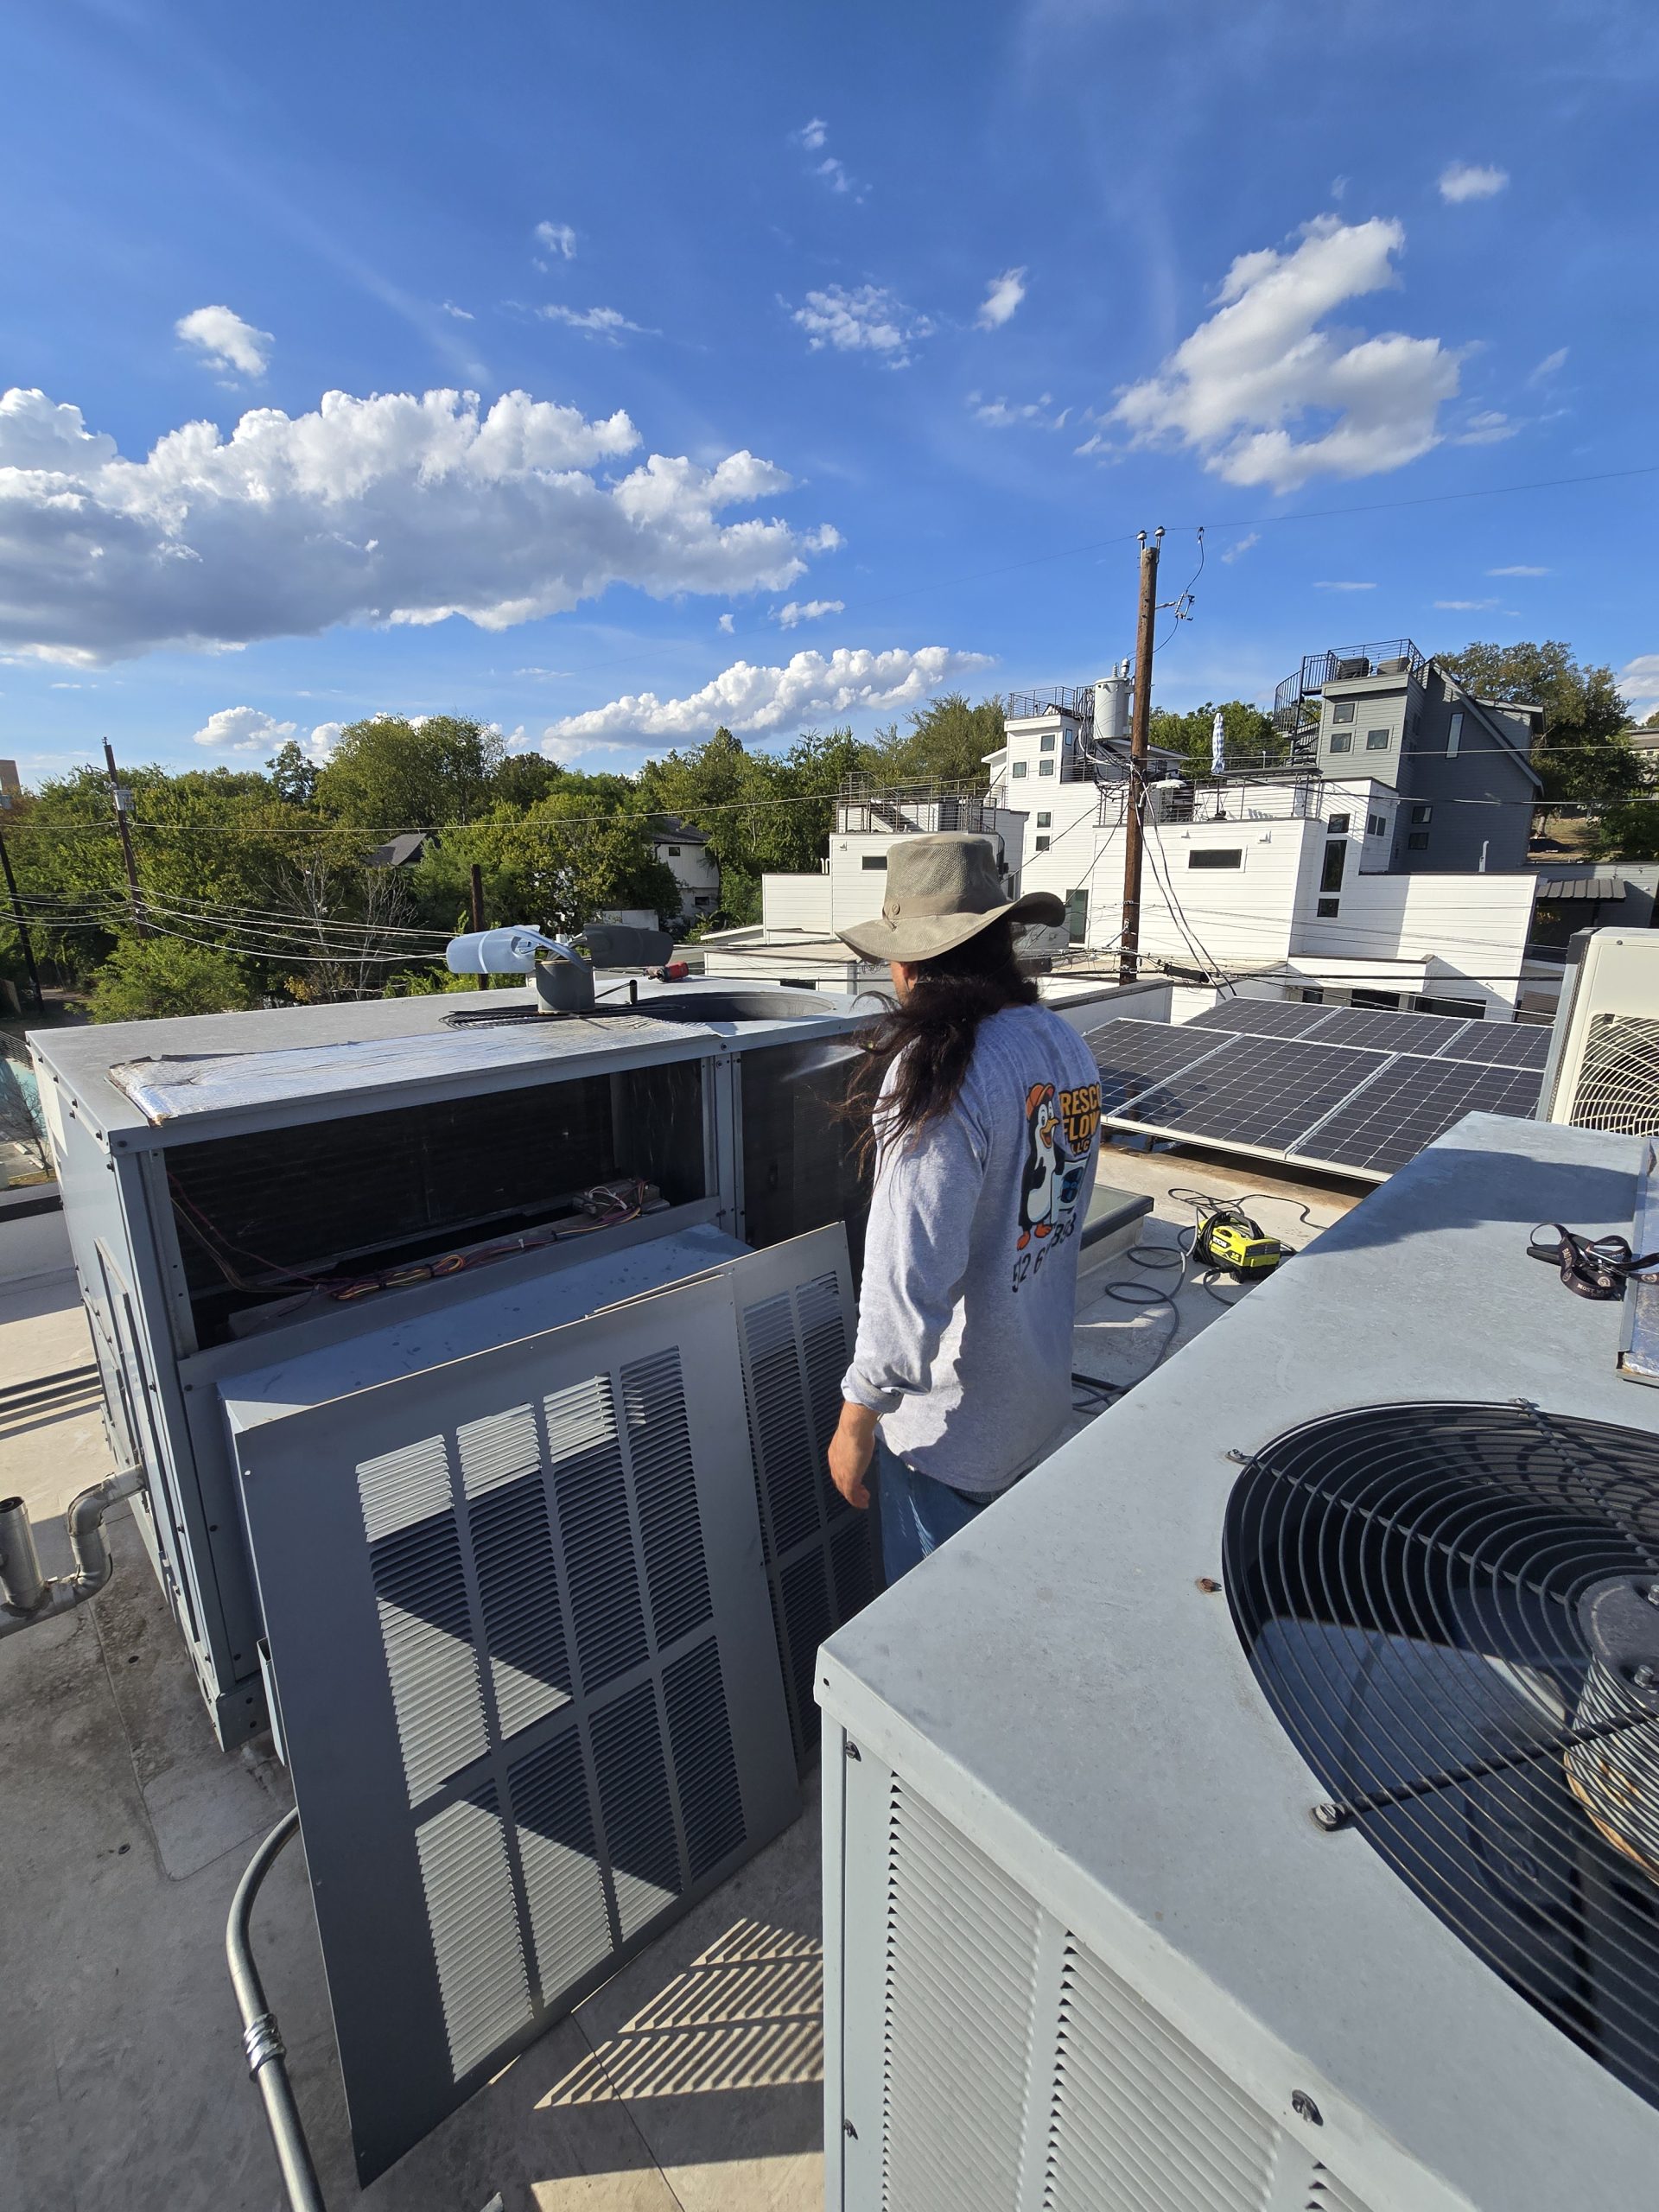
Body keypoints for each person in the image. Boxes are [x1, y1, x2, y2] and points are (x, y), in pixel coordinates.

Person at [826, 832, 1103, 1580]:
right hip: (1039, 1406)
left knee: (934, 1636)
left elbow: (908, 1273)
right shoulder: (1060, 1042)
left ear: (909, 962)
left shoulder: (939, 1070)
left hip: (952, 1442)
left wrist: (858, 1416)